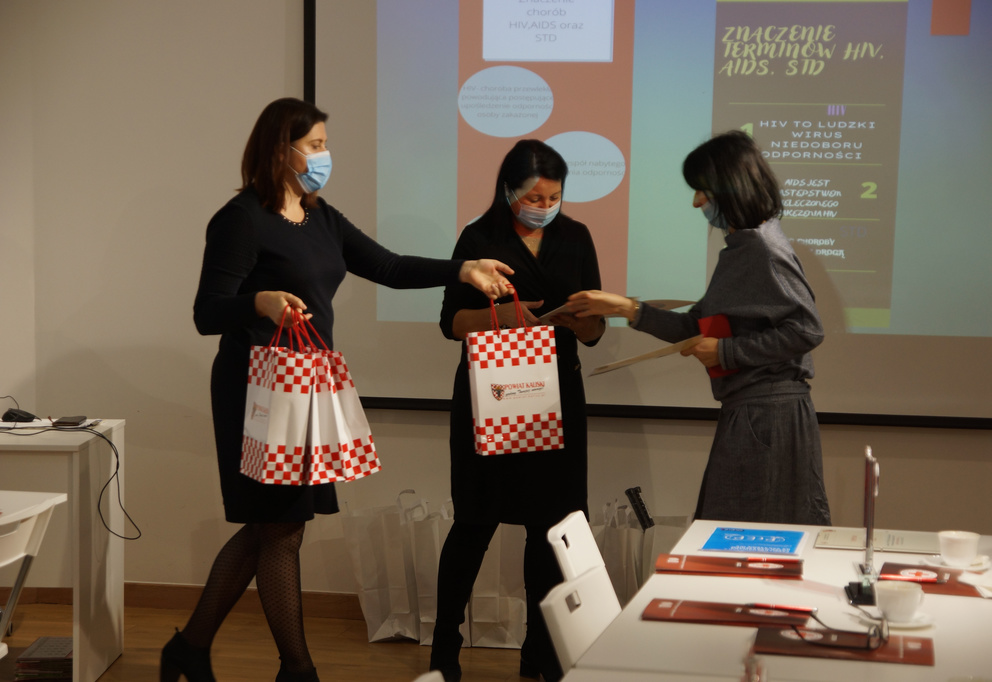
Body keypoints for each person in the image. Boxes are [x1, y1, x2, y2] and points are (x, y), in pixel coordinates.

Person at [165, 97, 513, 682]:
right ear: (281, 149)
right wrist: (259, 300)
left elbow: (390, 267)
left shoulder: (321, 217)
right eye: (316, 145)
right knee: (282, 528)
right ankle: (297, 669)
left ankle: (190, 648)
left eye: (325, 144)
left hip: (306, 391)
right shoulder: (241, 219)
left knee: (271, 526)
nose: (325, 155)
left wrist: (461, 269)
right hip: (256, 393)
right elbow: (207, 312)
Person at [566, 130, 831, 526]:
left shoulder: (761, 248)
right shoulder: (744, 247)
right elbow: (695, 325)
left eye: (702, 191)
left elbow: (807, 330)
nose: (696, 202)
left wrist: (725, 352)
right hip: (754, 413)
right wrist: (626, 308)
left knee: (744, 538)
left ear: (730, 187)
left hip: (767, 416)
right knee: (735, 532)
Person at [430, 140, 605, 682]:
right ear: (509, 190)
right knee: (474, 521)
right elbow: (451, 323)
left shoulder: (576, 236)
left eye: (553, 196)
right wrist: (504, 316)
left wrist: (580, 320)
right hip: (493, 397)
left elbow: (595, 332)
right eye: (534, 197)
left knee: (549, 528)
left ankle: (540, 650)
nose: (544, 206)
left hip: (556, 398)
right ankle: (444, 646)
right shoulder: (479, 239)